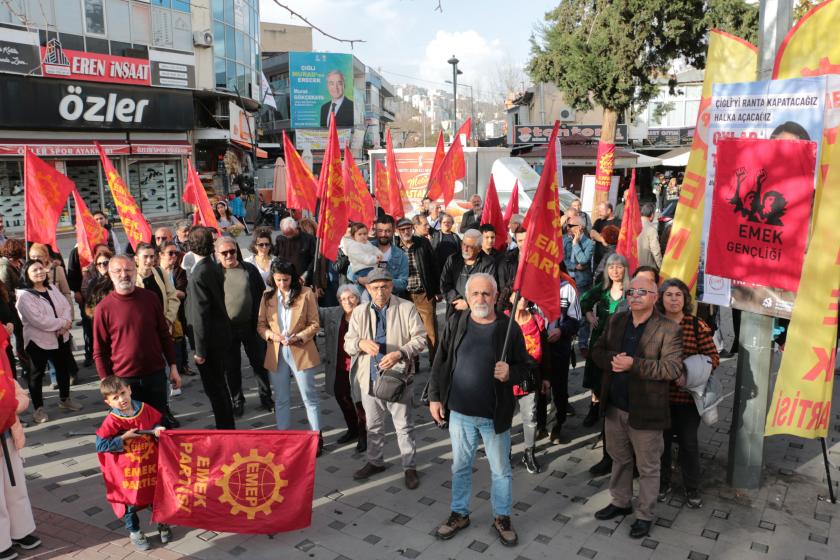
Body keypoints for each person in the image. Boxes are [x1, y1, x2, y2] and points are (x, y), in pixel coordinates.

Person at [428, 273, 531, 546]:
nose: (481, 299)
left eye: (486, 294)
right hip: (459, 414)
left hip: (493, 416)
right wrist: (435, 397)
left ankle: (502, 517)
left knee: (501, 470)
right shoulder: (456, 322)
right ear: (467, 296)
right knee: (460, 467)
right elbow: (440, 362)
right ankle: (459, 513)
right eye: (475, 294)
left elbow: (528, 367)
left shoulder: (508, 328)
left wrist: (511, 372)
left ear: (496, 297)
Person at [591, 275, 683, 539]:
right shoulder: (617, 320)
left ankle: (644, 514)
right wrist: (614, 359)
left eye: (642, 291)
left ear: (655, 297)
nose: (635, 295)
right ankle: (620, 502)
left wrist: (635, 365)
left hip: (646, 412)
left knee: (648, 467)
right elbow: (596, 350)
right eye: (631, 291)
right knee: (619, 458)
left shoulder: (668, 328)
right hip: (615, 407)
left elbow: (673, 368)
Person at [344, 268, 427, 489]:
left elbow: (421, 339)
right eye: (375, 288)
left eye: (384, 287)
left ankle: (409, 467)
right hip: (369, 378)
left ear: (391, 286)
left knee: (404, 426)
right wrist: (360, 343)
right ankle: (375, 461)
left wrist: (400, 353)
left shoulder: (406, 307)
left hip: (397, 378)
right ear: (368, 289)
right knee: (373, 425)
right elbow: (348, 342)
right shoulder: (360, 312)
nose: (380, 292)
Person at [93, 254, 180, 422]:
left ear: (135, 271)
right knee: (135, 430)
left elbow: (164, 334)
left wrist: (173, 366)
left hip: (155, 375)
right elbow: (99, 351)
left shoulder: (150, 298)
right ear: (110, 274)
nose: (124, 274)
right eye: (118, 271)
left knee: (159, 424)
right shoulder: (103, 309)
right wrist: (107, 383)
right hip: (124, 381)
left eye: (128, 270)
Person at [656, 278, 719, 508]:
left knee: (689, 444)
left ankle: (692, 488)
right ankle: (662, 484)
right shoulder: (654, 323)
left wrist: (690, 374)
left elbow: (713, 358)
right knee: (660, 445)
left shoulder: (696, 324)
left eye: (678, 295)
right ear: (661, 299)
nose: (673, 299)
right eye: (669, 295)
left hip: (687, 399)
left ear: (685, 299)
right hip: (659, 398)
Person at [94, 376, 171, 552]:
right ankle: (135, 532)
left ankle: (162, 522)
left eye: (122, 393)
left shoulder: (145, 409)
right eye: (115, 397)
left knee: (155, 496)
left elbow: (160, 421)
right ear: (108, 402)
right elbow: (100, 445)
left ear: (129, 390)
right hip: (127, 472)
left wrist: (158, 428)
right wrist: (122, 438)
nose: (121, 399)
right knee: (129, 503)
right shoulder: (112, 421)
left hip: (149, 466)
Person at [257, 260, 323, 452]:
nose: (282, 284)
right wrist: (271, 335)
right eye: (278, 280)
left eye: (285, 280)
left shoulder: (306, 293)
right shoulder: (267, 296)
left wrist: (299, 337)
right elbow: (261, 325)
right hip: (277, 350)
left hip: (301, 349)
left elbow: (315, 323)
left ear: (292, 278)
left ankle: (316, 437)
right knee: (281, 398)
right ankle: (283, 437)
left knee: (309, 396)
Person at [580, 253, 630, 474]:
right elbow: (584, 300)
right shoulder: (601, 289)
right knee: (597, 382)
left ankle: (609, 435)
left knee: (613, 391)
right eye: (611, 267)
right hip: (600, 344)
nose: (615, 271)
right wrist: (589, 315)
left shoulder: (631, 292)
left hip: (620, 348)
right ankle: (597, 412)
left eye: (619, 267)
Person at [15, 259, 81, 423]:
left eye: (40, 268)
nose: (39, 272)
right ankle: (38, 409)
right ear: (27, 275)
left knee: (62, 369)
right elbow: (39, 320)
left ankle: (65, 400)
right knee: (36, 375)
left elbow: (65, 306)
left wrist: (66, 323)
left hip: (60, 337)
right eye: (34, 270)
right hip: (38, 341)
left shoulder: (51, 288)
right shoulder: (24, 296)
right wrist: (62, 323)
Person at [215, 236, 272, 416]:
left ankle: (266, 397)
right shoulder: (214, 274)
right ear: (217, 255)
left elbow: (262, 296)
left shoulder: (249, 269)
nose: (229, 255)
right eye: (225, 253)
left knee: (259, 363)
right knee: (232, 367)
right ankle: (237, 400)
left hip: (251, 326)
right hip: (227, 330)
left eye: (232, 251)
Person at [185, 227, 235, 429]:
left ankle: (225, 429)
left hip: (210, 342)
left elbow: (200, 315)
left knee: (215, 389)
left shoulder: (200, 273)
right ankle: (227, 425)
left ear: (190, 246)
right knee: (221, 387)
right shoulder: (212, 266)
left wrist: (200, 350)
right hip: (220, 336)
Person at [507, 294, 551, 474]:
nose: (522, 298)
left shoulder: (537, 320)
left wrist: (546, 377)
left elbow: (546, 351)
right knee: (504, 418)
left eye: (526, 295)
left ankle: (529, 452)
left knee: (530, 416)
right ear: (510, 296)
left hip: (530, 376)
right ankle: (504, 452)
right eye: (518, 294)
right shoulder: (503, 319)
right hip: (506, 377)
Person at [320, 284, 367, 451]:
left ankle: (364, 435)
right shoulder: (334, 313)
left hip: (360, 367)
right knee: (342, 397)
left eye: (351, 297)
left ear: (358, 298)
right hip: (340, 365)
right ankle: (352, 429)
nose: (347, 302)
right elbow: (315, 312)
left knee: (360, 402)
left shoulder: (366, 314)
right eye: (343, 299)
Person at [0, 372, 41, 558]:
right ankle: (1, 541)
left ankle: (21, 531)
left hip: (9, 437)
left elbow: (20, 394)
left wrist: (11, 404)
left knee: (15, 488)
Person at [544, 263, 582, 444]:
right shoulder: (533, 287)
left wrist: (561, 331)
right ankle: (540, 425)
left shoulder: (568, 288)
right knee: (539, 389)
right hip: (537, 348)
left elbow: (576, 320)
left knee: (559, 388)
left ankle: (556, 427)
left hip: (560, 347)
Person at [396, 217, 440, 365]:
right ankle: (413, 363)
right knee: (408, 332)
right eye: (403, 229)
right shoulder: (395, 246)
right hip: (404, 296)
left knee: (431, 331)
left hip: (423, 294)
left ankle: (435, 363)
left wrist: (437, 290)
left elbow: (434, 266)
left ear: (413, 228)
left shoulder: (423, 243)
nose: (406, 231)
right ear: (398, 231)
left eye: (408, 228)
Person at [440, 229, 496, 317]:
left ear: (479, 248)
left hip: (477, 312)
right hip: (455, 309)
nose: (465, 249)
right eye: (464, 244)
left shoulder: (488, 263)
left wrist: (468, 303)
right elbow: (444, 284)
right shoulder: (452, 260)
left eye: (470, 246)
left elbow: (487, 289)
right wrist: (457, 300)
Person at [157, 242, 193, 378]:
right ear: (160, 255)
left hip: (179, 312)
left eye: (176, 253)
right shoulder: (155, 272)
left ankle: (183, 365)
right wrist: (172, 294)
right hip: (162, 313)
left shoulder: (179, 270)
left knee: (180, 340)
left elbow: (183, 291)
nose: (174, 256)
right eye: (170, 253)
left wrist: (171, 294)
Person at [564, 216, 596, 355]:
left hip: (582, 283)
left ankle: (583, 343)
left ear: (580, 228)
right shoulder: (565, 240)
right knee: (567, 312)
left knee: (583, 313)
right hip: (568, 281)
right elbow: (563, 260)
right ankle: (568, 340)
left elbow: (583, 260)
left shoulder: (589, 243)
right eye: (567, 225)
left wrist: (576, 244)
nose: (568, 227)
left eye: (571, 225)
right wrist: (574, 267)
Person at [273, 217, 317, 286]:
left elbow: (315, 259)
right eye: (285, 234)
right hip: (285, 279)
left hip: (302, 279)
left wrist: (306, 274)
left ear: (295, 229)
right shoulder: (280, 239)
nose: (287, 236)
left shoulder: (308, 239)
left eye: (289, 233)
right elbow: (274, 256)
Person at [638, 203, 663, 270]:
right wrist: (661, 267)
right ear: (652, 215)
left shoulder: (632, 227)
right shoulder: (651, 230)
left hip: (633, 266)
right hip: (648, 268)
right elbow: (656, 252)